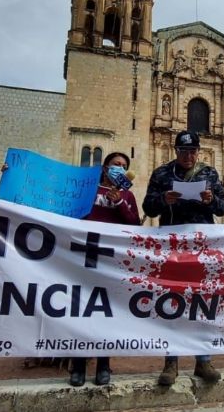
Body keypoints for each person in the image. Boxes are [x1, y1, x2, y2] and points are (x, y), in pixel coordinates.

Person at [143, 130, 224, 386]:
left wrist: (211, 200)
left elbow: (223, 208)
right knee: (172, 301)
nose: (188, 156)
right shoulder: (161, 174)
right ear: (176, 151)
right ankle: (171, 362)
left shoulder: (209, 173)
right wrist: (162, 199)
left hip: (203, 246)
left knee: (202, 303)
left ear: (198, 151)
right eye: (183, 151)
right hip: (173, 246)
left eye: (192, 151)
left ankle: (203, 361)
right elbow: (148, 207)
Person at [69, 152, 140, 387]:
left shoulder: (128, 195)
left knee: (105, 313)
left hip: (111, 262)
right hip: (84, 256)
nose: (119, 168)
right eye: (115, 165)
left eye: (123, 165)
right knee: (80, 312)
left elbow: (134, 225)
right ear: (105, 167)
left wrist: (119, 201)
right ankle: (77, 366)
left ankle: (103, 364)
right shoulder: (87, 188)